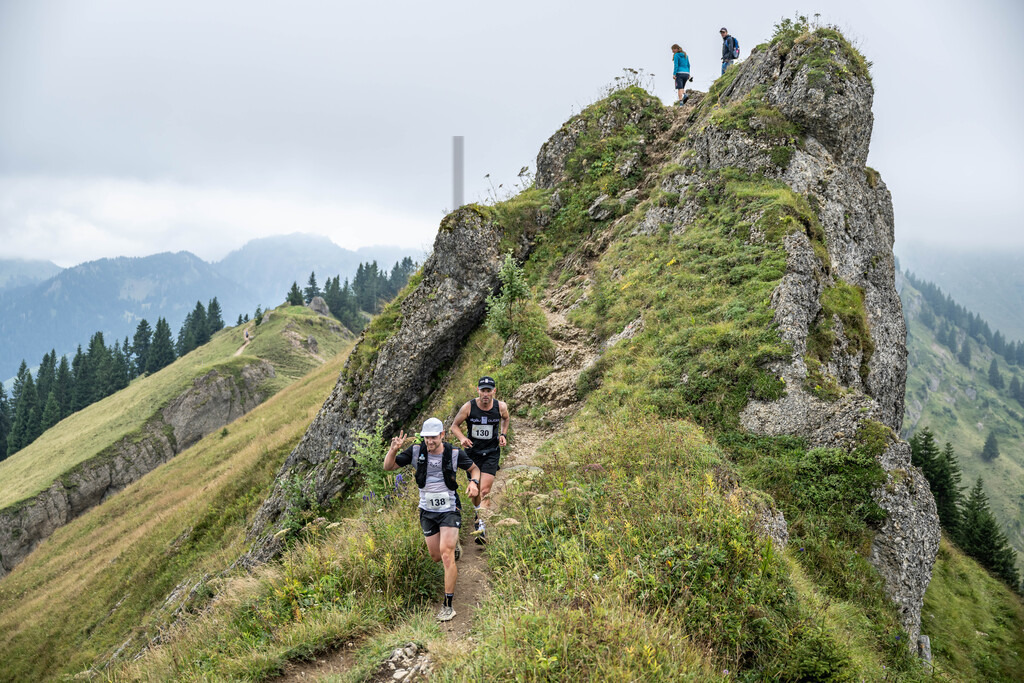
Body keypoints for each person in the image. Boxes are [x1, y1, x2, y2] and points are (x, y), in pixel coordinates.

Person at [384, 417, 481, 622]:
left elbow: (475, 469)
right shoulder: (416, 451)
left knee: (446, 556)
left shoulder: (454, 453)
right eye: (426, 437)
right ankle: (454, 548)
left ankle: (448, 605)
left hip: (449, 508)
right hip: (427, 510)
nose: (430, 441)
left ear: (442, 435)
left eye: (434, 437)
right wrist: (393, 449)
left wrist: (473, 483)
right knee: (436, 556)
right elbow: (389, 467)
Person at [450, 376, 510, 544]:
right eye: (483, 390)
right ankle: (479, 513)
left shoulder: (500, 407)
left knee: (484, 491)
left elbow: (506, 419)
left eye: (488, 391)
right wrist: (462, 438)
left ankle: (482, 529)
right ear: (478, 390)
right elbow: (454, 426)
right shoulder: (469, 407)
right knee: (475, 490)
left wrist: (503, 434)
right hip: (472, 454)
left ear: (494, 391)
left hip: (491, 453)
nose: (485, 394)